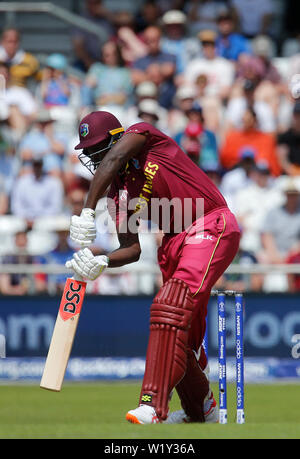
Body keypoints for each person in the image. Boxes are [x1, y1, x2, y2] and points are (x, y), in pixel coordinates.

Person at [65, 110, 241, 424]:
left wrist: (86, 211)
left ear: (117, 136)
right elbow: (131, 249)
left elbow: (115, 157)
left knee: (168, 304)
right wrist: (101, 260)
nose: (93, 156)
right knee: (180, 336)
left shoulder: (143, 137)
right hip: (173, 244)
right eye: (87, 151)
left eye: (97, 147)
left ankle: (152, 405)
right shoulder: (118, 196)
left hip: (209, 223)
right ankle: (202, 411)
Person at [220, 106, 281, 176]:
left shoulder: (266, 139)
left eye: (249, 119)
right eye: (244, 120)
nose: (246, 122)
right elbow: (225, 160)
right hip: (238, 174)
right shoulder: (232, 137)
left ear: (255, 120)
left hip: (261, 176)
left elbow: (271, 164)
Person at [131, 25, 177, 109]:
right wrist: (157, 73)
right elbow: (134, 78)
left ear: (160, 39)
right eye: (148, 40)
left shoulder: (169, 56)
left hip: (167, 103)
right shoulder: (140, 60)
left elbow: (169, 70)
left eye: (154, 40)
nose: (151, 43)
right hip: (145, 105)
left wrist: (147, 74)